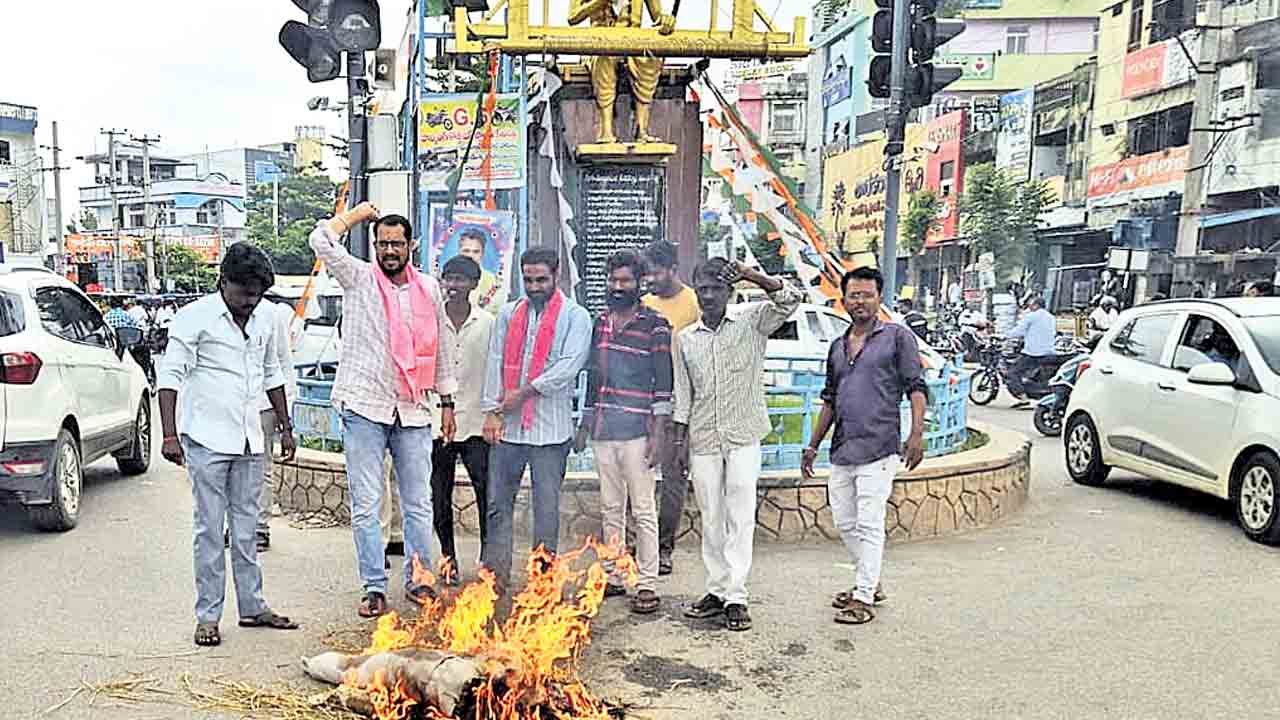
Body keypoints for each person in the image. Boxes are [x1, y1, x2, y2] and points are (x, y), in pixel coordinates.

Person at [309, 209, 458, 618]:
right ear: (374, 246)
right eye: (382, 243)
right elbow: (321, 241)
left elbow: (442, 347)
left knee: (418, 502)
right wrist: (356, 215)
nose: (390, 251)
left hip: (412, 408)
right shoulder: (357, 278)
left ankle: (418, 579)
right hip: (364, 406)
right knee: (367, 502)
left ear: (411, 246)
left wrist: (447, 403)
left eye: (397, 243)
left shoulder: (428, 288)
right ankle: (374, 586)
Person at [157, 243, 300, 648]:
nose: (248, 304)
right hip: (207, 440)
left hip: (251, 439)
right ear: (224, 283)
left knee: (247, 530)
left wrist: (286, 428)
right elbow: (170, 377)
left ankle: (253, 607)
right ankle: (208, 617)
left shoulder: (265, 319)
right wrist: (169, 435)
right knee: (208, 530)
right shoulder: (194, 318)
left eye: (255, 296)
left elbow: (272, 372)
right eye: (243, 295)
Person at [672, 259, 802, 632]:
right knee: (711, 516)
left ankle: (737, 596)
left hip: (744, 434)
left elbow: (789, 300)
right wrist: (679, 441)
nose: (709, 295)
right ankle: (715, 590)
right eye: (702, 288)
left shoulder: (752, 321)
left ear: (729, 292)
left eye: (716, 288)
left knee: (740, 515)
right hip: (703, 439)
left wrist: (751, 275)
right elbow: (684, 395)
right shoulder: (686, 339)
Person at [802, 266, 927, 625]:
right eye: (854, 295)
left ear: (879, 298)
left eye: (867, 295)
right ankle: (869, 582)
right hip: (842, 447)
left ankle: (863, 597)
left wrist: (916, 434)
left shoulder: (897, 337)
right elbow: (830, 397)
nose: (860, 301)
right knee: (844, 521)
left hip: (880, 445)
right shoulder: (837, 346)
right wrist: (812, 445)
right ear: (843, 300)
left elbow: (916, 387)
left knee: (870, 522)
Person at [481, 247, 592, 594]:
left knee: (546, 509)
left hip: (551, 430)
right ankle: (495, 577)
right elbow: (495, 362)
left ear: (555, 276)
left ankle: (542, 580)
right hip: (509, 429)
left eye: (541, 279)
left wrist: (525, 393)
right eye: (528, 279)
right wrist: (492, 411)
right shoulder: (510, 313)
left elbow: (568, 368)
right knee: (499, 504)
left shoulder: (575, 317)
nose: (534, 286)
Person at [576, 249, 673, 614]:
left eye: (625, 281)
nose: (618, 287)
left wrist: (659, 433)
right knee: (610, 507)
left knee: (644, 508)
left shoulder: (656, 324)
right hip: (604, 428)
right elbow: (594, 377)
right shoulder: (601, 322)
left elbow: (664, 382)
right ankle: (615, 575)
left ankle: (646, 582)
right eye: (613, 281)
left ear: (639, 283)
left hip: (638, 430)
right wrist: (585, 423)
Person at [430, 255, 495, 585]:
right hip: (435, 422)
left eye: (461, 280)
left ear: (474, 284)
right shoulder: (430, 319)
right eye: (448, 279)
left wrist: (493, 415)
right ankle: (448, 558)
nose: (453, 286)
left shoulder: (488, 324)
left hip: (475, 423)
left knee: (486, 493)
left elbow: (495, 373)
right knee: (439, 495)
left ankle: (487, 558)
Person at [641, 239, 701, 576]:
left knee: (674, 476)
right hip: (646, 403)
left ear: (673, 270)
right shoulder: (645, 303)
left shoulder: (693, 302)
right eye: (647, 272)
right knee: (640, 476)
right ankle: (644, 543)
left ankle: (664, 548)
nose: (651, 278)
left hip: (681, 402)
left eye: (657, 272)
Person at [255, 299, 299, 552]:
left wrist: (286, 422)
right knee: (231, 469)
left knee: (261, 469)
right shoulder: (217, 311)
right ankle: (236, 525)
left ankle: (260, 528)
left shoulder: (272, 314)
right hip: (231, 406)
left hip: (265, 403)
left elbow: (283, 361)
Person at [1006, 295, 1057, 408]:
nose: (1029, 306)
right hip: (1049, 351)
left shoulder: (1031, 316)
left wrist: (1004, 336)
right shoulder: (1051, 317)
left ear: (1036, 305)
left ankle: (1023, 398)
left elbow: (1018, 331)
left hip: (1033, 352)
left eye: (1031, 304)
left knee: (1012, 373)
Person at [457, 229, 509, 314]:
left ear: (482, 253)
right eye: (466, 251)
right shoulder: (449, 280)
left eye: (476, 252)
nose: (471, 256)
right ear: (459, 251)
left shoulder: (493, 282)